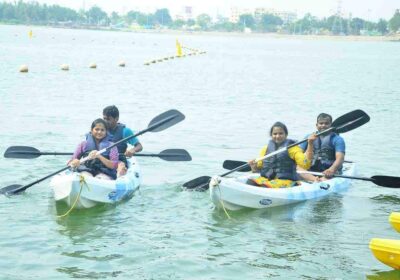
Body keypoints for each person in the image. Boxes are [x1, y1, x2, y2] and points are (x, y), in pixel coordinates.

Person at [248, 122, 316, 188]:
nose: (277, 136)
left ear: (286, 135)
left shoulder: (293, 149)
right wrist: (253, 166)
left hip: (286, 181)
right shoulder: (265, 149)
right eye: (275, 134)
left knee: (265, 186)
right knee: (250, 182)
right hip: (267, 180)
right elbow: (258, 170)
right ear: (271, 135)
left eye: (281, 133)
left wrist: (310, 144)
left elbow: (306, 165)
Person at [298, 113, 346, 182]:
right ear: (316, 125)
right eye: (321, 123)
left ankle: (319, 181)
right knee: (297, 168)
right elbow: (297, 153)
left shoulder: (337, 139)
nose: (323, 125)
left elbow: (340, 158)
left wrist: (332, 169)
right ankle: (315, 179)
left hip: (329, 170)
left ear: (331, 125)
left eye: (326, 123)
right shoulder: (309, 137)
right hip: (312, 168)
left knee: (328, 175)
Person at [102, 105, 143, 176]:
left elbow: (139, 146)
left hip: (118, 160)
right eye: (104, 118)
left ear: (116, 119)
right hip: (103, 159)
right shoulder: (100, 130)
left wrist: (132, 150)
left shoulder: (125, 131)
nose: (105, 122)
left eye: (108, 119)